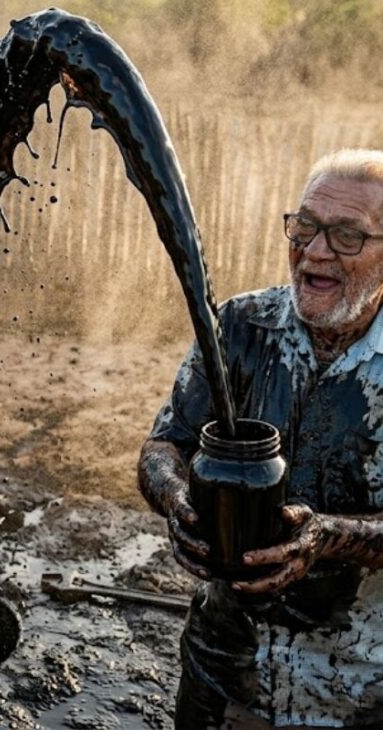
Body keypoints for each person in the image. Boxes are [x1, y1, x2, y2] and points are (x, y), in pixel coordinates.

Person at [138, 148, 383, 729]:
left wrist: (327, 537)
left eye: (348, 235)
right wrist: (177, 501)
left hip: (361, 691)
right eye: (305, 226)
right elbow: (163, 445)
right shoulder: (241, 328)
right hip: (223, 670)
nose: (315, 250)